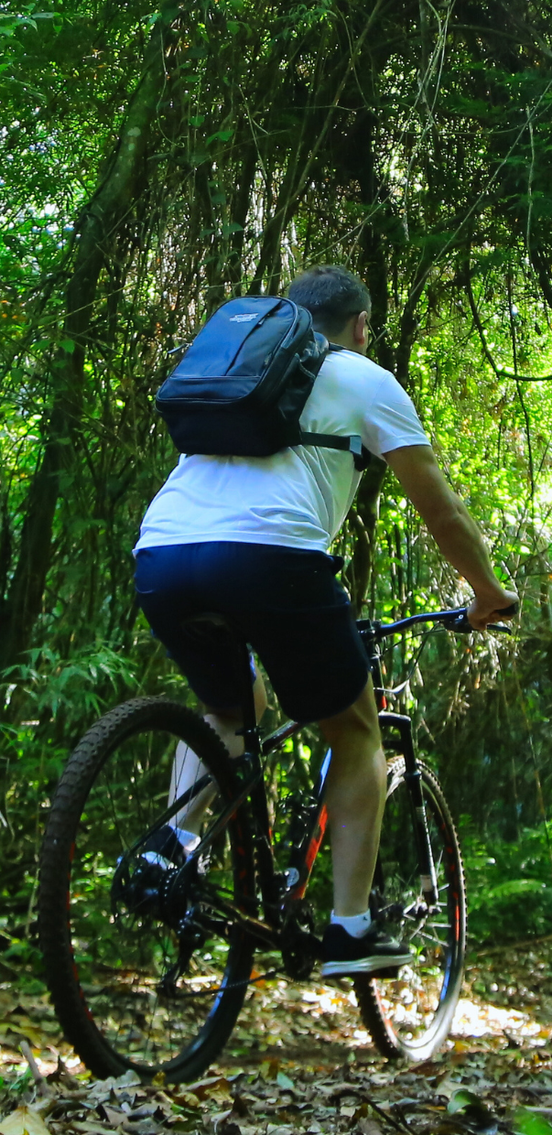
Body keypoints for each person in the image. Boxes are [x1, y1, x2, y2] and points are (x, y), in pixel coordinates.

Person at [131, 265, 519, 976]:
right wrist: (487, 589)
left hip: (161, 554)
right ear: (361, 326)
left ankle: (173, 849)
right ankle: (349, 928)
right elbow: (442, 510)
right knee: (353, 728)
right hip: (272, 560)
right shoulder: (362, 377)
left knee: (229, 708)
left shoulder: (244, 368)